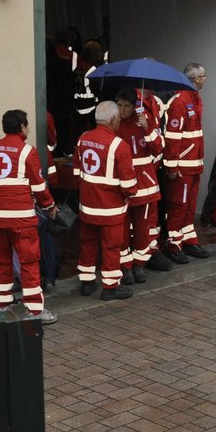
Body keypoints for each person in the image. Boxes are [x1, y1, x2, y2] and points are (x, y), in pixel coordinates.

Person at [0, 109, 57, 315]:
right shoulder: (27, 151)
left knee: (1, 260)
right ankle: (35, 311)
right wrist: (50, 207)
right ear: (22, 127)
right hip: (21, 217)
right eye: (27, 125)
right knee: (29, 261)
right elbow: (39, 186)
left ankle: (2, 306)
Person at [75, 101, 136, 300]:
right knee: (111, 247)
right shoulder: (120, 145)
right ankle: (110, 287)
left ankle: (86, 282)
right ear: (112, 119)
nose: (119, 121)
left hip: (87, 206)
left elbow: (77, 172)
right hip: (111, 209)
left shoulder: (83, 138)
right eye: (117, 118)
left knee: (87, 243)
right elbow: (129, 185)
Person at [116, 89, 167, 284]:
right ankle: (125, 267)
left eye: (127, 105)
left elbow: (160, 147)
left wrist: (147, 128)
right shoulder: (114, 124)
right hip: (122, 187)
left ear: (134, 106)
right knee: (122, 230)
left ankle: (139, 265)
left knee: (142, 229)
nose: (122, 109)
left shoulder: (144, 122)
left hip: (145, 187)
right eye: (119, 105)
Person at [162, 64, 211, 263]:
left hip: (193, 164)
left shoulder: (194, 98)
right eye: (204, 76)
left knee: (190, 205)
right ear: (196, 79)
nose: (205, 79)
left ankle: (189, 240)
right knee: (178, 206)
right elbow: (173, 137)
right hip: (182, 166)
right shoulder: (180, 101)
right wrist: (172, 165)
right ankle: (174, 244)